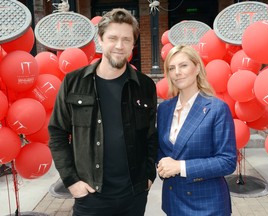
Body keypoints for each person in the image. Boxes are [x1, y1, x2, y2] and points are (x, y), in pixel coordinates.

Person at [48, 8, 158, 216]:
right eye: (113, 38)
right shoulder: (73, 82)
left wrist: (149, 175)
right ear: (100, 40)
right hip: (90, 196)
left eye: (126, 39)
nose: (119, 45)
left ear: (133, 44)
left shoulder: (144, 86)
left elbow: (151, 136)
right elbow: (57, 134)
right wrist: (71, 181)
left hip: (133, 195)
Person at [156, 45, 237, 216]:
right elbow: (162, 150)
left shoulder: (216, 108)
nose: (177, 72)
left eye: (183, 65)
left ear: (197, 68)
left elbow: (227, 161)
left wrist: (180, 166)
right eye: (171, 68)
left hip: (207, 204)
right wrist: (162, 165)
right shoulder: (164, 109)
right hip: (173, 201)